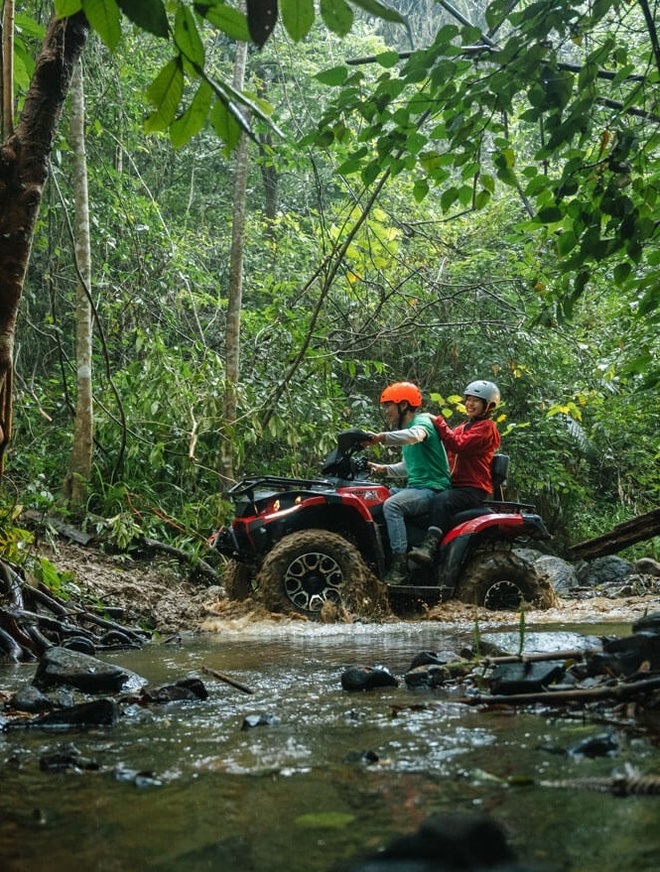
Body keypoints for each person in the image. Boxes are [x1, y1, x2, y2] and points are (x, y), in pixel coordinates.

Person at [364, 381, 451, 584]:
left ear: (403, 405)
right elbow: (407, 467)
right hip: (416, 488)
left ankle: (399, 567)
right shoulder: (408, 429)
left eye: (389, 405)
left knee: (392, 505)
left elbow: (415, 436)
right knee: (378, 497)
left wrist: (381, 438)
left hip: (432, 489)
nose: (386, 411)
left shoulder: (421, 423)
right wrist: (382, 468)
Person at [408, 380, 501, 566]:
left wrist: (438, 422)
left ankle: (429, 547)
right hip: (454, 485)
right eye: (468, 399)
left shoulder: (487, 428)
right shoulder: (463, 427)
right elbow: (446, 446)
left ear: (489, 406)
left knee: (441, 501)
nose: (470, 404)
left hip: (472, 487)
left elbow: (458, 445)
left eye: (476, 400)